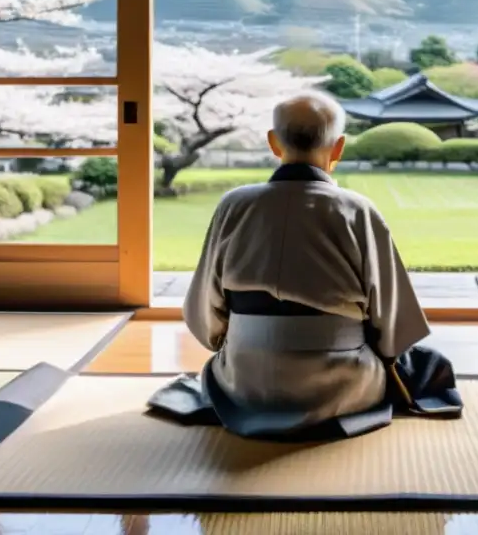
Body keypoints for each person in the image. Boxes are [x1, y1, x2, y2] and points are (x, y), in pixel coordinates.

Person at [167, 91, 460, 440]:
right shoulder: (358, 210)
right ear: (338, 148)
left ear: (274, 143)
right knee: (426, 366)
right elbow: (394, 326)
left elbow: (205, 313)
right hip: (340, 387)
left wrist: (236, 339)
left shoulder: (233, 205)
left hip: (244, 382)